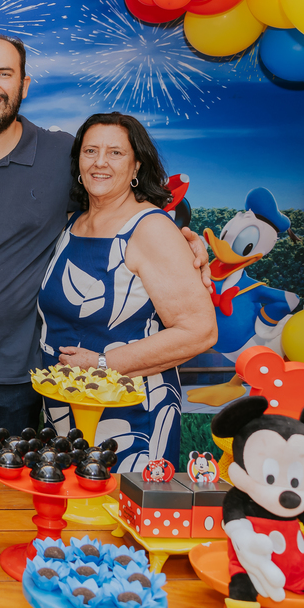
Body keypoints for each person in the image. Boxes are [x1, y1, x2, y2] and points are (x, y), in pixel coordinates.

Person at [0, 34, 213, 473]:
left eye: (4, 74)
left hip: (11, 382)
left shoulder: (62, 155)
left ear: (25, 84)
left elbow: (119, 206)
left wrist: (183, 236)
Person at [38, 112, 217, 471]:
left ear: (137, 165)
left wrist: (104, 365)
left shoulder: (151, 229)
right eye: (90, 151)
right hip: (65, 412)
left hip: (130, 416)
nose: (100, 162)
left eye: (115, 153)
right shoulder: (74, 223)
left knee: (117, 522)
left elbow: (200, 330)